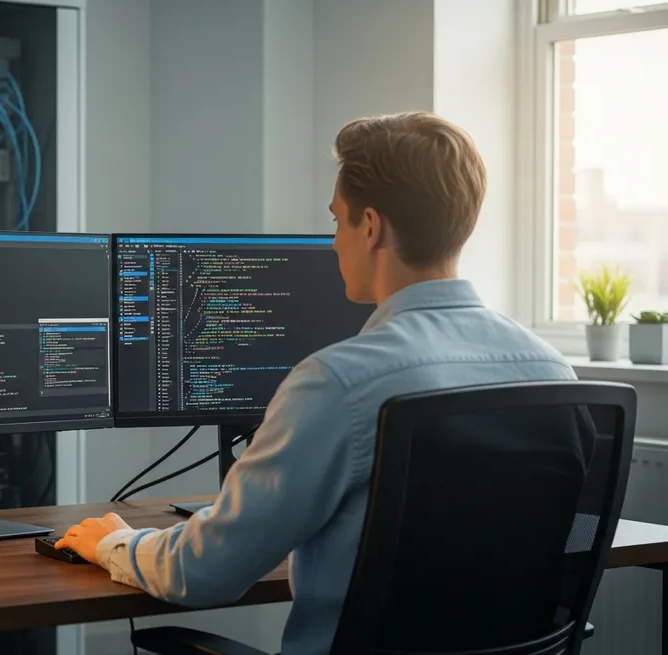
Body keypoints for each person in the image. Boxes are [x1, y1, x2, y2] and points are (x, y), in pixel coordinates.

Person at [54, 111, 576, 654]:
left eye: (336, 222)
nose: (333, 243)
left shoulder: (339, 382)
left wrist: (115, 541)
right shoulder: (550, 368)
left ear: (370, 227)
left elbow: (204, 572)